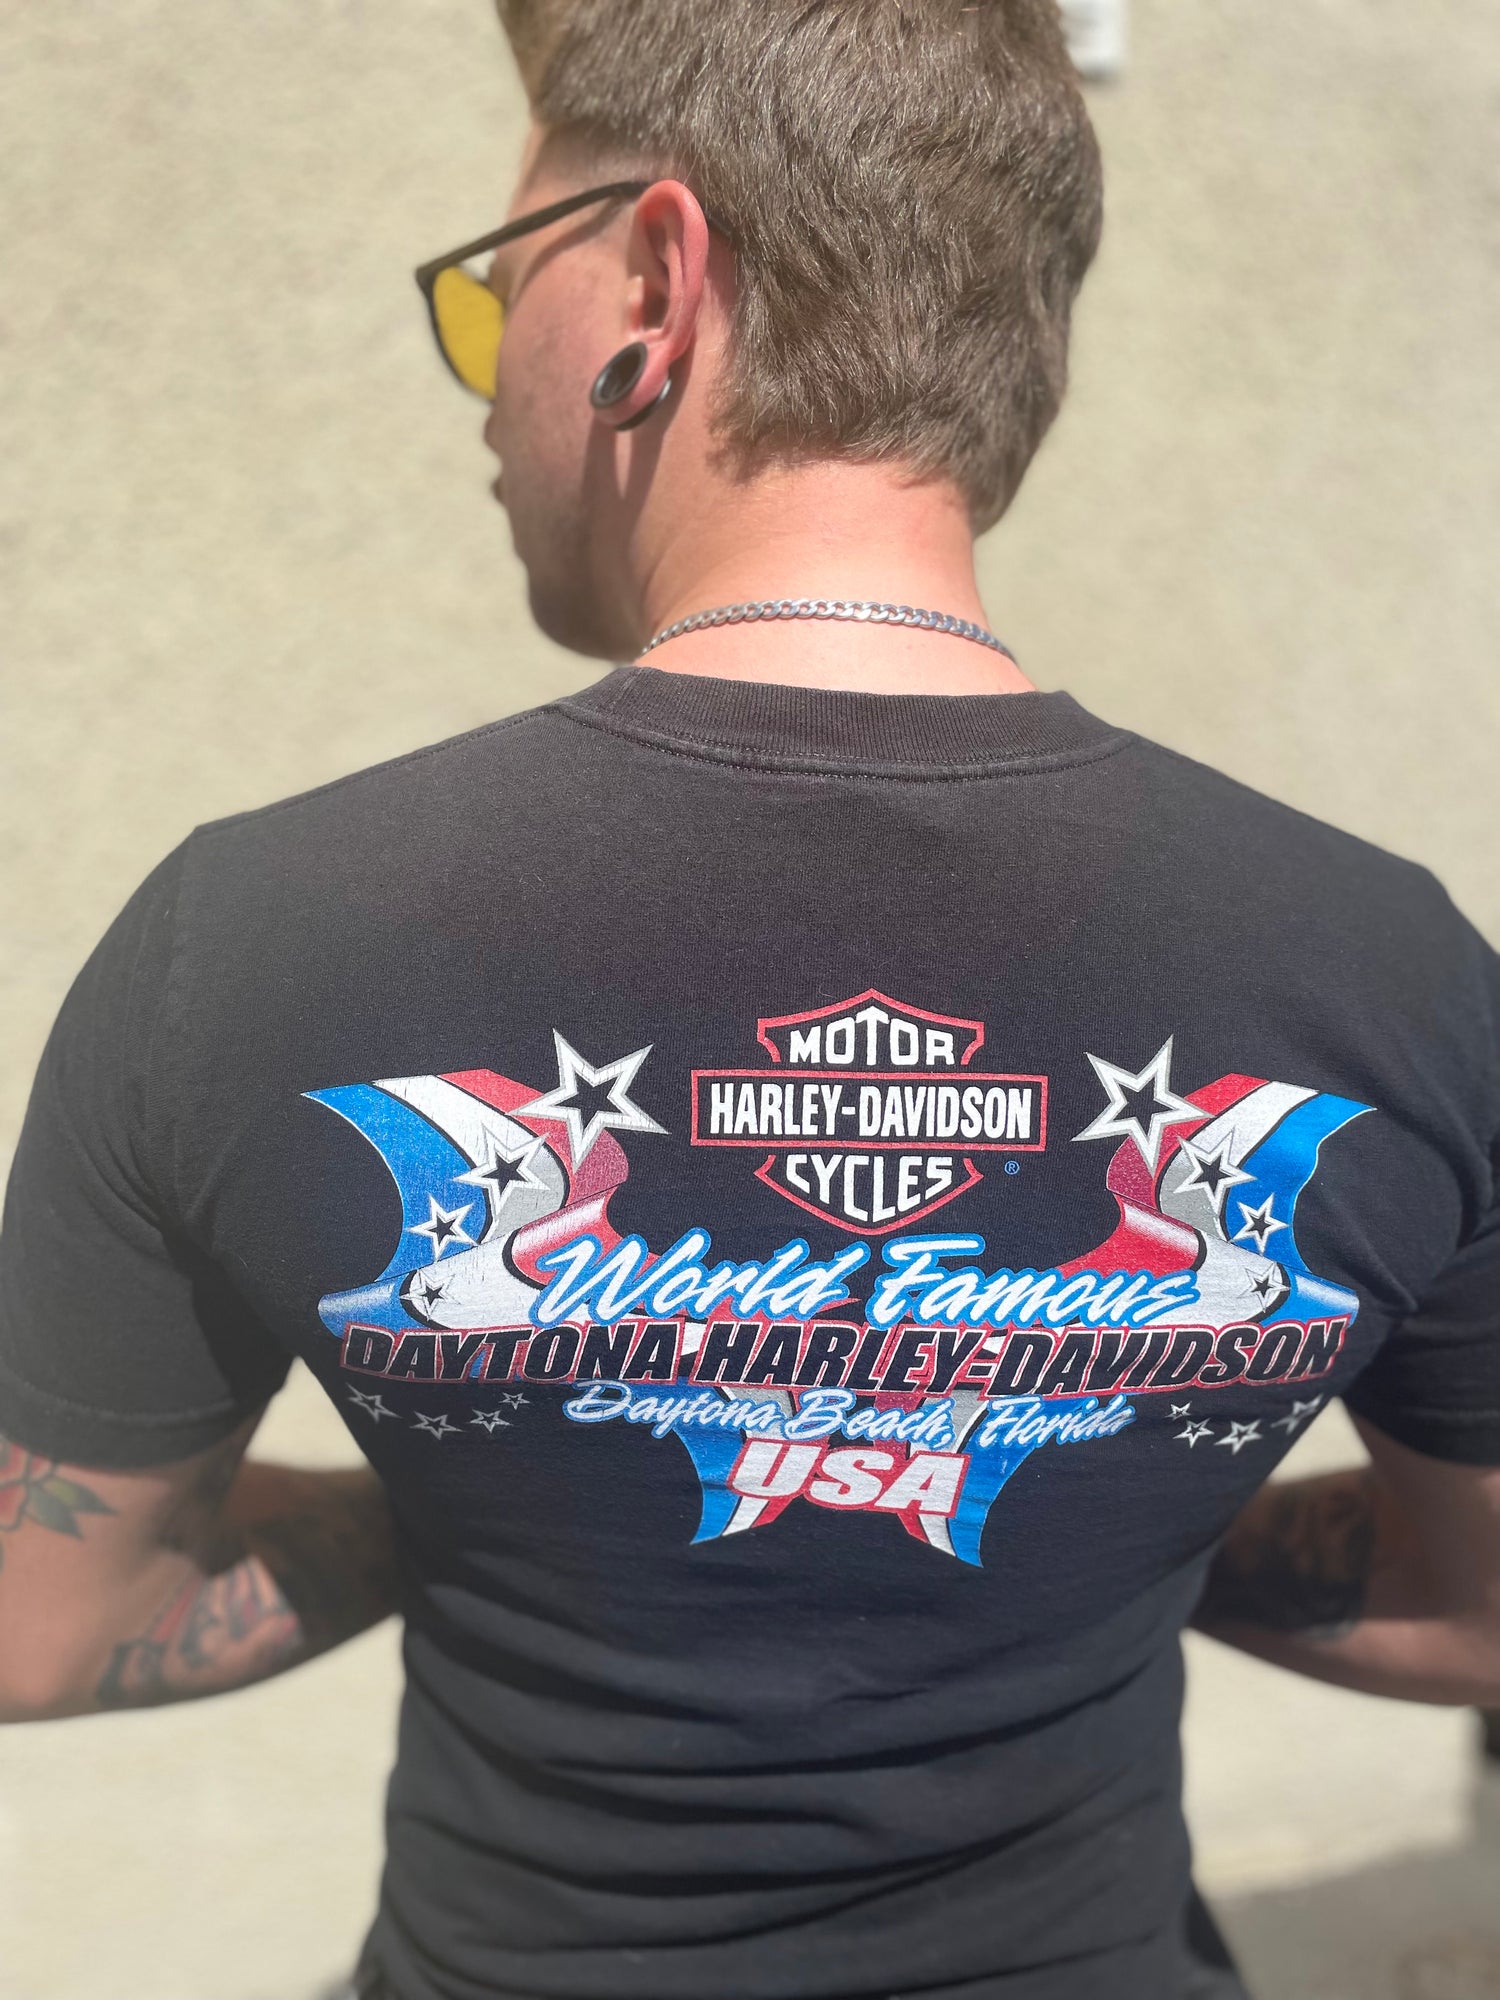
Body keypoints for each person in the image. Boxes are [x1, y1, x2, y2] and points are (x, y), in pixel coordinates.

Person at [1, 4, 1497, 1998]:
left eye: (490, 290)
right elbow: (1481, 1608)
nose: (479, 388)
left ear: (653, 279)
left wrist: (475, 1496)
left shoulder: (252, 937)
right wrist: (1117, 1496)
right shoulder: (1388, 967)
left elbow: (47, 1617)